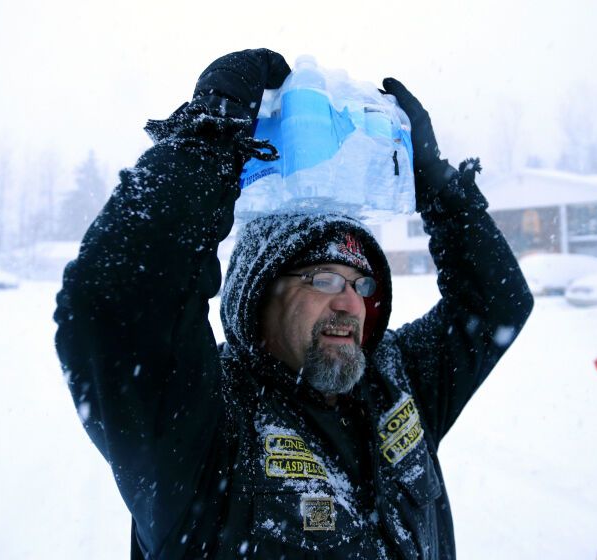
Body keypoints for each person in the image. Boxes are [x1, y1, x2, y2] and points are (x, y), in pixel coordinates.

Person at [54, 49, 533, 559]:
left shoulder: (395, 381)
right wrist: (211, 134)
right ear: (259, 292)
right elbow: (117, 302)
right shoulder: (207, 428)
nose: (353, 303)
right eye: (325, 278)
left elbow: (497, 304)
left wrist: (442, 192)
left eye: (363, 284)